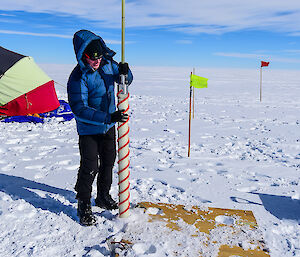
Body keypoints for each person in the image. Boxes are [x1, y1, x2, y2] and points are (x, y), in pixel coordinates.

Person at [67, 30, 133, 226]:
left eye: (99, 57)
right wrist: (107, 117)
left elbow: (126, 81)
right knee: (90, 167)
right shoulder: (78, 77)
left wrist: (124, 71)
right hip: (89, 130)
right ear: (83, 56)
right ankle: (84, 204)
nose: (96, 62)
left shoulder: (107, 65)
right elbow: (79, 108)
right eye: (91, 58)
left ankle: (103, 196)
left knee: (108, 162)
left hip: (108, 125)